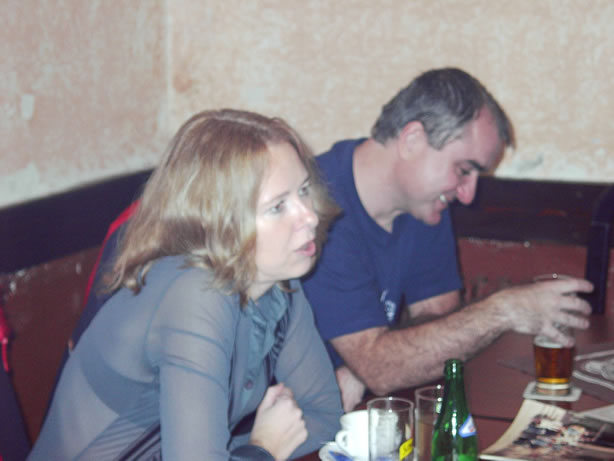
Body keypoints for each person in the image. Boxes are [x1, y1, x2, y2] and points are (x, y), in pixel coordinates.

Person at [29, 109, 342, 460]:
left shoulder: (277, 282)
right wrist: (264, 448)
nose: (309, 216)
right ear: (218, 220)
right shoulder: (195, 295)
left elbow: (325, 417)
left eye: (304, 191)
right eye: (278, 206)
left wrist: (256, 448)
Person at [301, 67, 594, 411]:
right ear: (412, 140)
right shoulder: (316, 208)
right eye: (464, 170)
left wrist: (365, 367)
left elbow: (440, 326)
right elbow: (386, 368)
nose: (468, 195)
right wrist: (503, 310)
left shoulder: (423, 205)